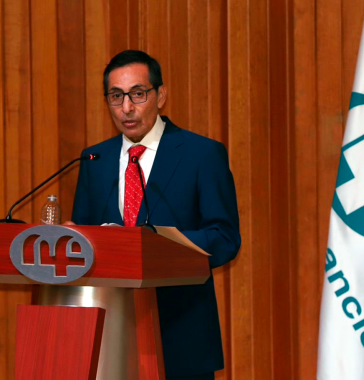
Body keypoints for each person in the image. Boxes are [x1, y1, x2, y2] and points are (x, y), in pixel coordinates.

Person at [71, 49, 241, 380]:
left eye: (138, 94)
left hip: (180, 335)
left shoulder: (201, 154)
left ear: (160, 95)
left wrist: (156, 244)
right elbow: (85, 236)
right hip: (108, 335)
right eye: (116, 96)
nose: (127, 108)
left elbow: (225, 238)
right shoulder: (95, 159)